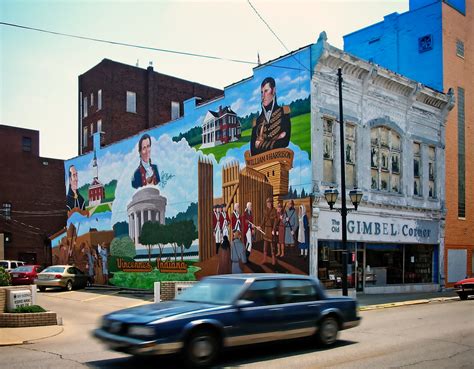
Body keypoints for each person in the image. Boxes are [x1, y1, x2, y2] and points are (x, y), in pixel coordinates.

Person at [250, 77, 291, 156]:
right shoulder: (257, 121)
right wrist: (277, 139)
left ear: (274, 90)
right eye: (262, 92)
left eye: (266, 91)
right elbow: (253, 151)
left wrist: (260, 144)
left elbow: (284, 142)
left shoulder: (284, 112)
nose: (263, 96)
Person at [257, 197, 277, 265]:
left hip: (271, 229)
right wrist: (260, 226)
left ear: (271, 203)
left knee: (272, 246)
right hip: (266, 229)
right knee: (265, 245)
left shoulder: (274, 210)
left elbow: (275, 221)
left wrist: (274, 229)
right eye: (267, 203)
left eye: (269, 202)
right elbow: (263, 220)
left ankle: (273, 260)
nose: (268, 204)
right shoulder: (265, 210)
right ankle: (264, 259)